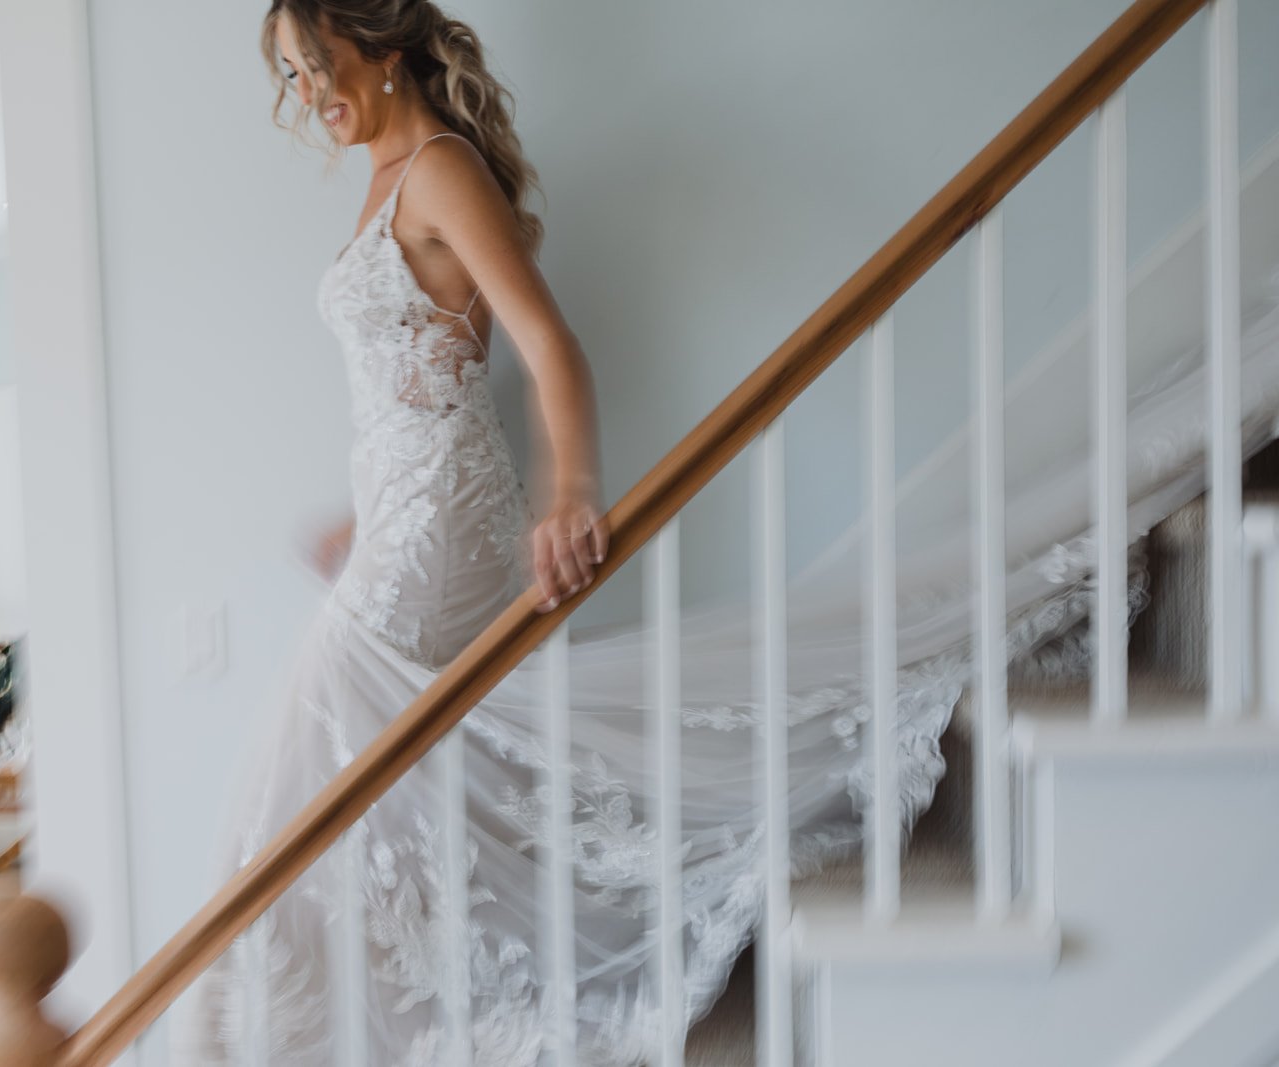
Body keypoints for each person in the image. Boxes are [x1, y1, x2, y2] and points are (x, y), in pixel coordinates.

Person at [175, 1, 1279, 1063]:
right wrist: (364, 517)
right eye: (289, 74)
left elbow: (550, 346)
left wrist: (574, 492)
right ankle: (417, 1020)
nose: (305, 93)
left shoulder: (438, 170)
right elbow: (405, 383)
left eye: (312, 63)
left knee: (321, 772)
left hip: (440, 530)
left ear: (375, 44)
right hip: (405, 517)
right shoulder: (379, 177)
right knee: (402, 775)